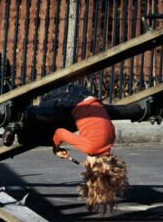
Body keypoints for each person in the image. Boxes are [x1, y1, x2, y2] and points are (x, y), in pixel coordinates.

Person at [42, 84, 128, 214]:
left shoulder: (110, 141)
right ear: (94, 167)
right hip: (70, 97)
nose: (85, 164)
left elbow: (108, 126)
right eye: (88, 167)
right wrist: (56, 149)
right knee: (38, 111)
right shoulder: (91, 148)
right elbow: (59, 133)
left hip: (87, 96)